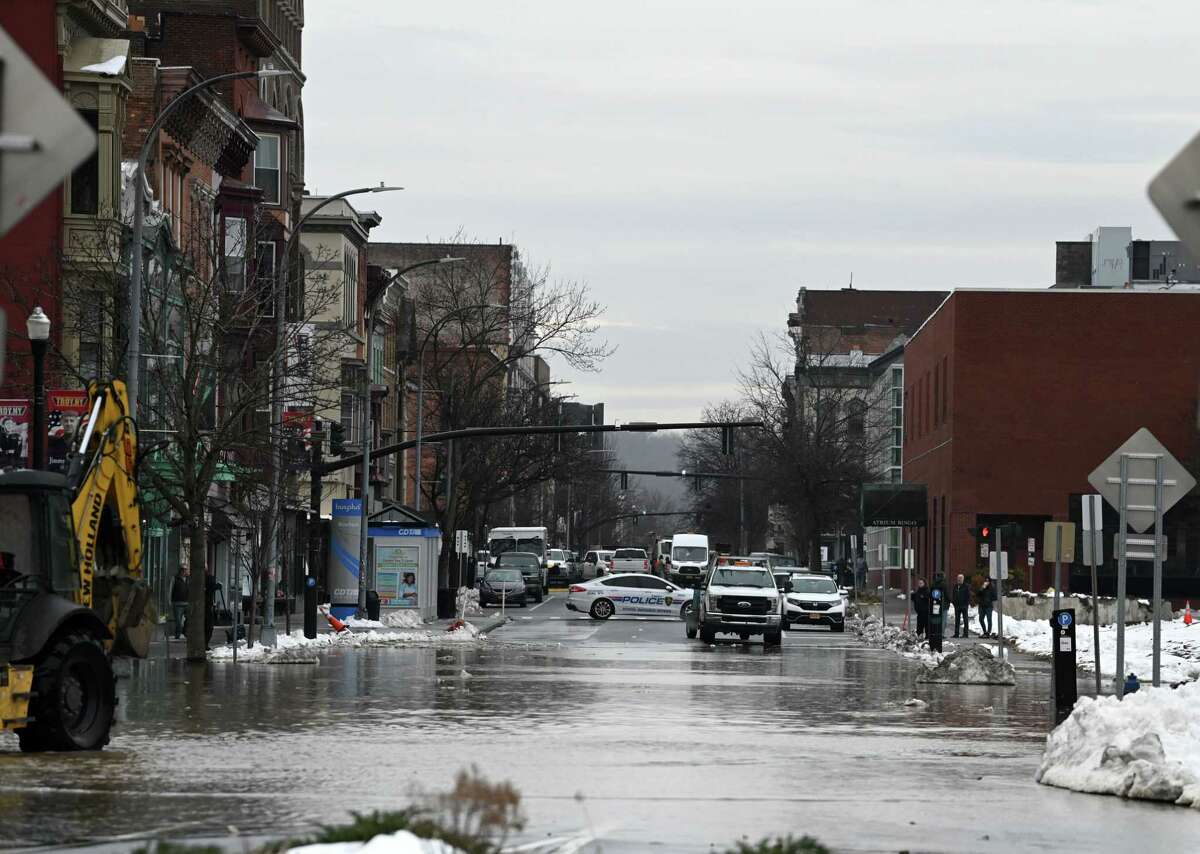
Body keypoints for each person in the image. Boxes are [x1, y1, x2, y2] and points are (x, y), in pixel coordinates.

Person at [170, 567, 190, 639]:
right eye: (184, 570)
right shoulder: (175, 578)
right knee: (178, 621)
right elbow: (170, 590)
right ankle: (177, 634)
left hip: (187, 602)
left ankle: (186, 632)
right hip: (177, 603)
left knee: (189, 619)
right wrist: (170, 601)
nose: (186, 572)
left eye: (186, 570)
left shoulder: (189, 579)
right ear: (181, 571)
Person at [952, 573, 971, 638]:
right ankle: (956, 634)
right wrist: (954, 603)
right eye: (958, 579)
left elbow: (968, 596)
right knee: (957, 620)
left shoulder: (966, 586)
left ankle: (965, 634)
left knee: (965, 620)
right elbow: (953, 595)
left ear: (963, 579)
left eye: (960, 579)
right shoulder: (955, 586)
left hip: (964, 606)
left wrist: (966, 604)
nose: (959, 580)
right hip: (957, 606)